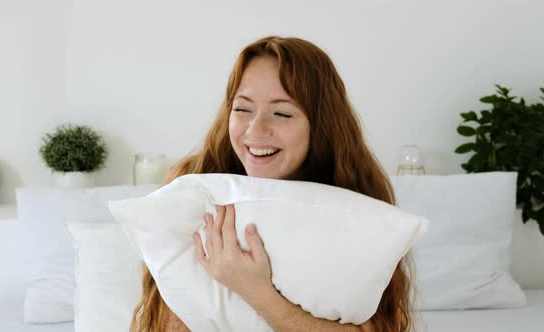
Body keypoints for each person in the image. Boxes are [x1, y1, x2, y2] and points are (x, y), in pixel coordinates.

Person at [130, 36, 414, 332]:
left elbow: (379, 327)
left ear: (320, 125)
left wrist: (257, 293)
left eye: (281, 113)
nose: (256, 130)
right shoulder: (194, 187)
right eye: (242, 109)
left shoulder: (356, 200)